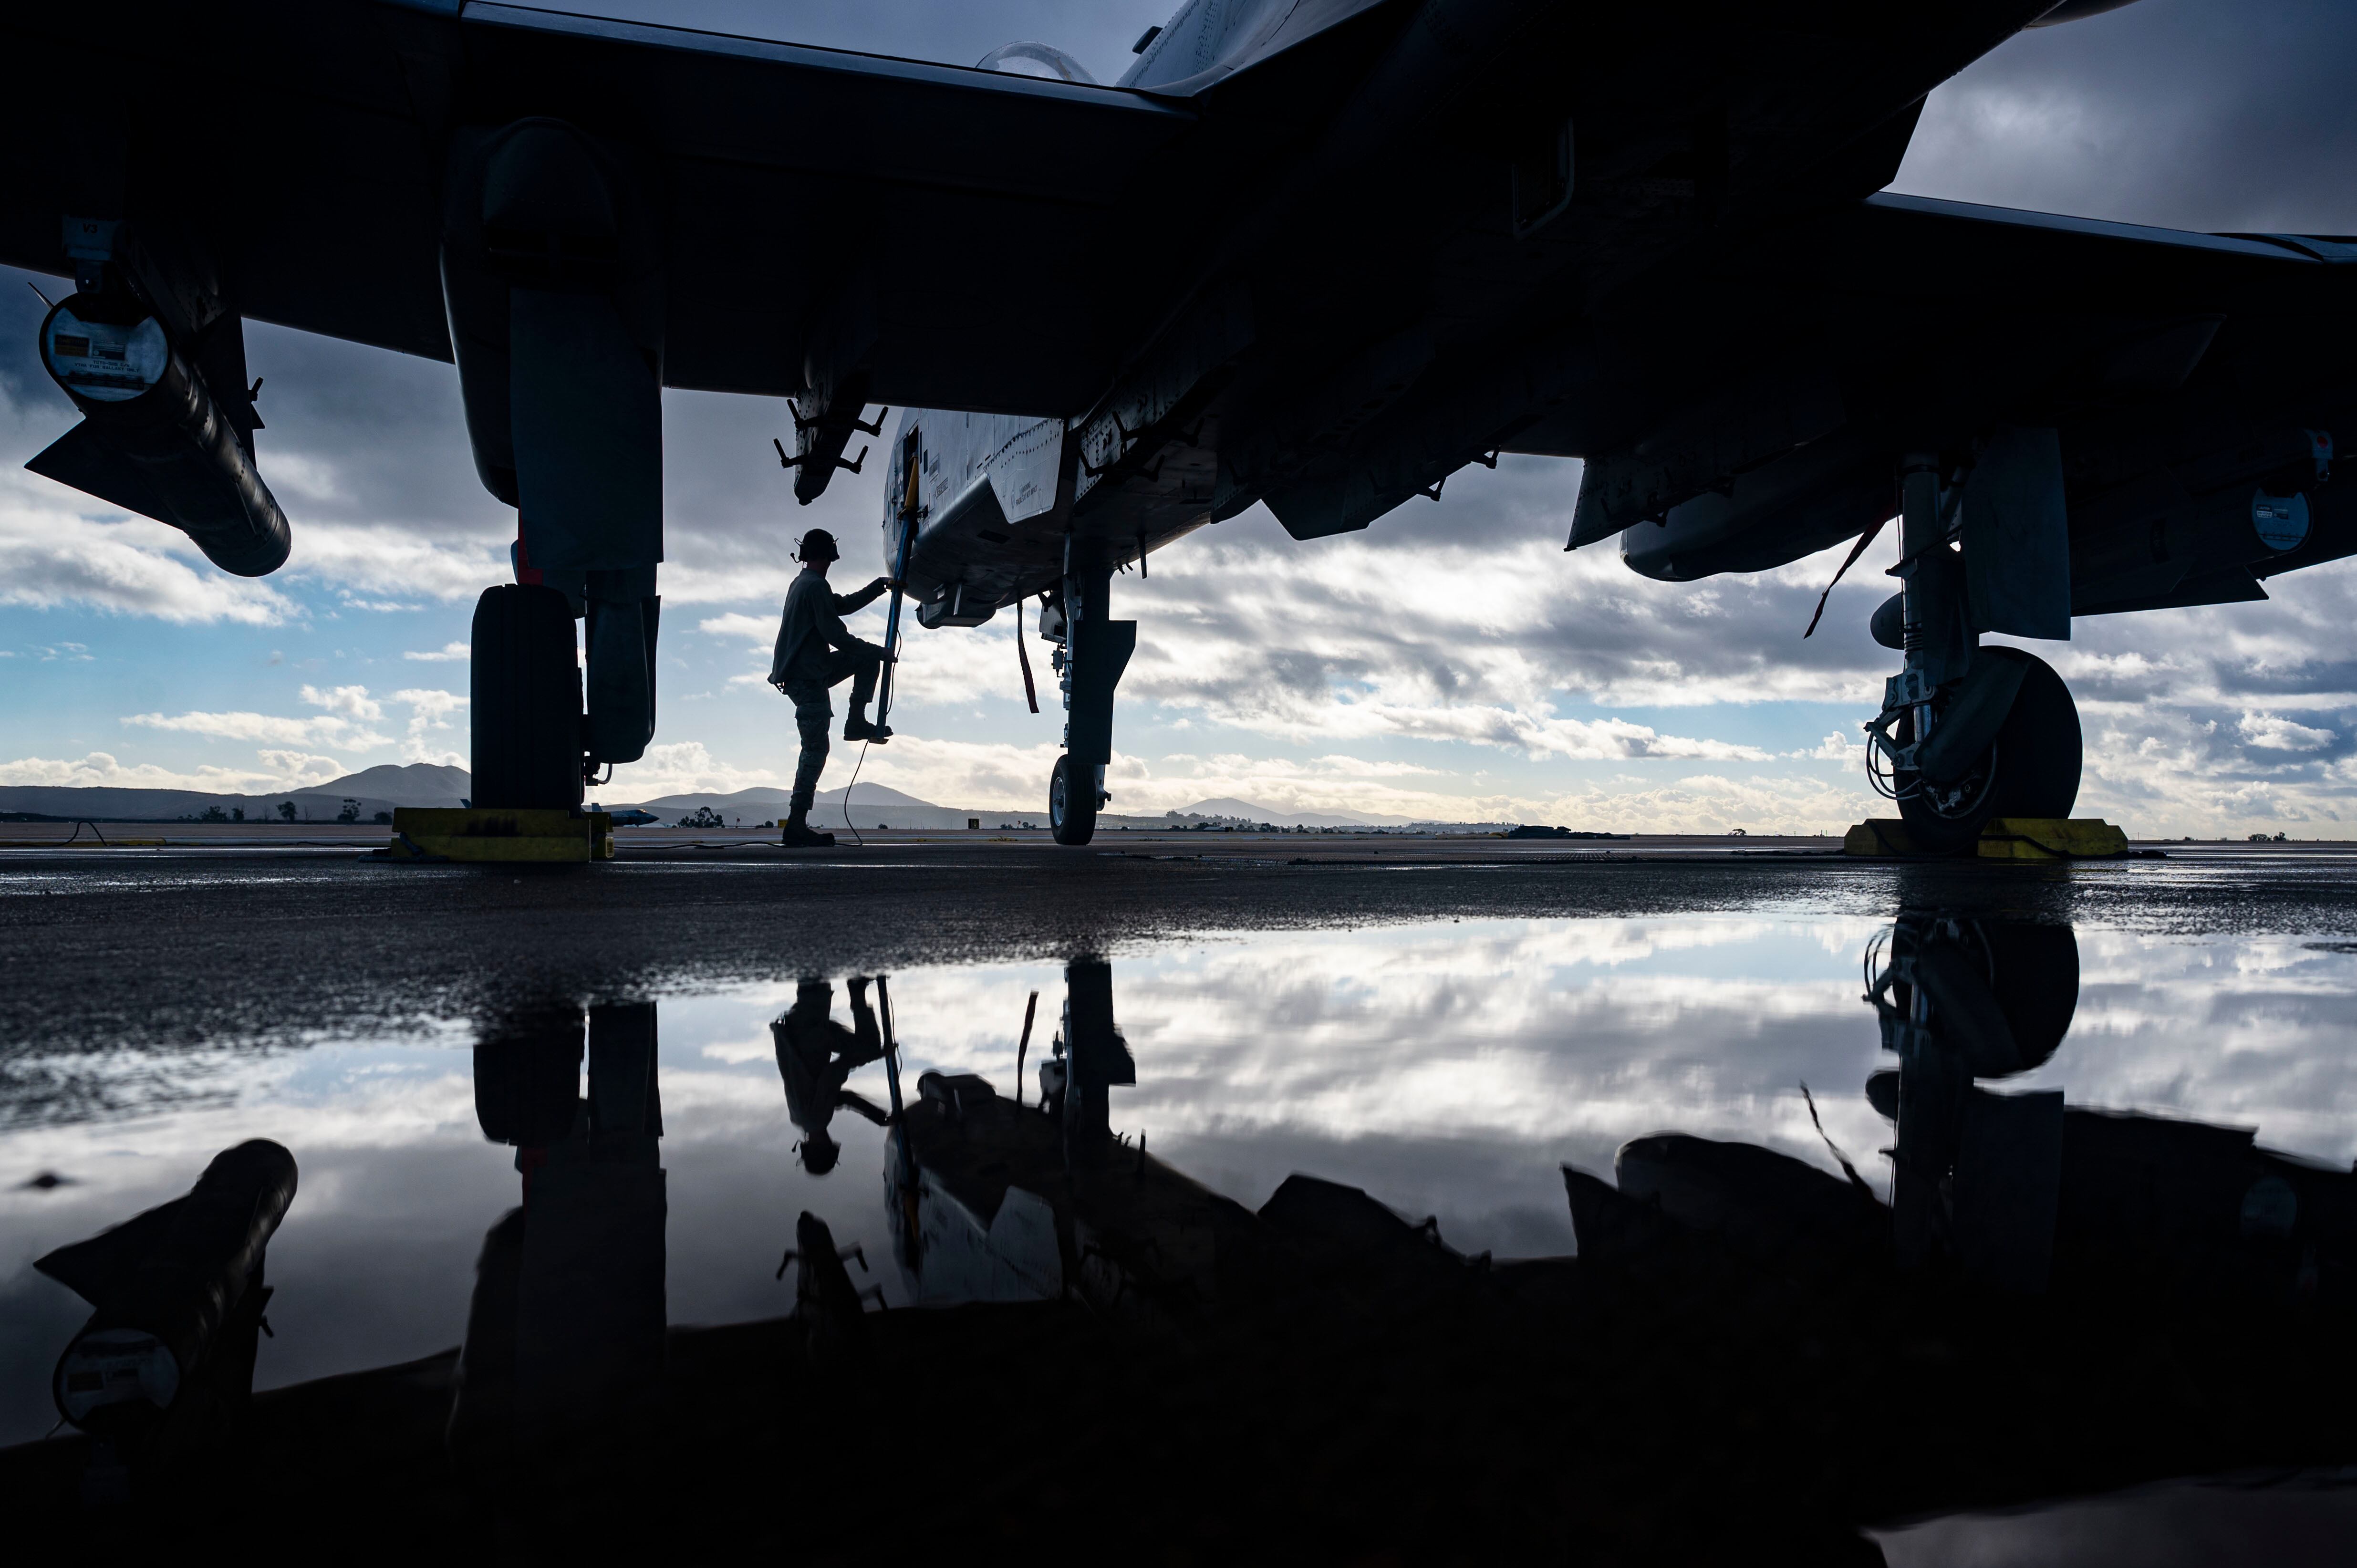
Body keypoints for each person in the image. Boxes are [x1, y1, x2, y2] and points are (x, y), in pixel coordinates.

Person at [768, 528, 893, 847]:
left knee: (865, 660)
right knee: (815, 749)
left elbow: (841, 605)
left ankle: (855, 722)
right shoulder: (814, 586)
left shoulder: (805, 584)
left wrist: (877, 589)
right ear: (829, 556)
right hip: (806, 678)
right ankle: (796, 824)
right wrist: (878, 650)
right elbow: (836, 635)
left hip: (811, 671)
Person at [771, 977, 890, 1174]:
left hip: (809, 1034)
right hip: (802, 1034)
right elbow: (843, 1098)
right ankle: (856, 989)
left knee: (868, 1047)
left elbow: (832, 1075)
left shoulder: (817, 1119)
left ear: (824, 1149)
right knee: (865, 1047)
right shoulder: (801, 1119)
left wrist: (873, 1056)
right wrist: (878, 1116)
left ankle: (856, 988)